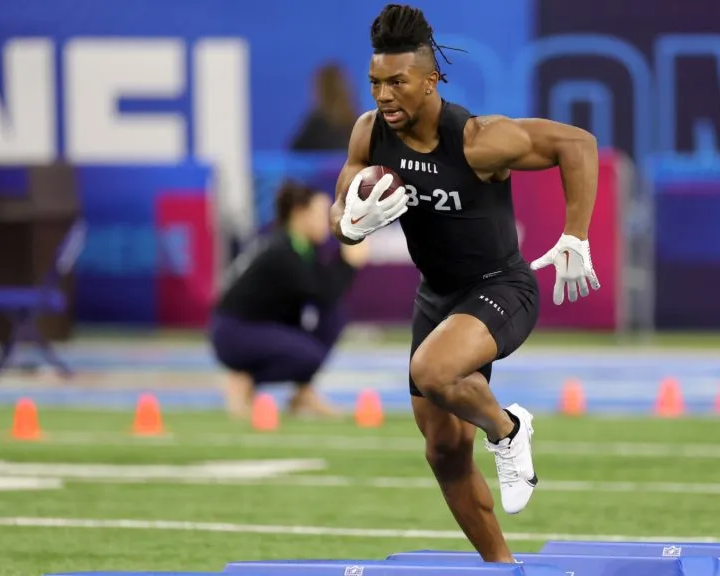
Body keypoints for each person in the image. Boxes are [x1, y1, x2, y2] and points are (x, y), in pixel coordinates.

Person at [328, 3, 602, 564]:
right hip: (438, 298)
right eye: (376, 82)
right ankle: (501, 566)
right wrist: (349, 224)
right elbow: (341, 210)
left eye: (397, 83)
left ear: (431, 80)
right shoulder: (369, 133)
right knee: (444, 451)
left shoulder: (478, 140)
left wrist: (576, 234)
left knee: (432, 371)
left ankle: (507, 427)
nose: (383, 96)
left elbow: (577, 145)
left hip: (503, 288)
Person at [210, 180, 369, 419]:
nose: (328, 221)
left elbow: (325, 294)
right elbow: (322, 291)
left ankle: (303, 393)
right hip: (236, 331)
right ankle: (244, 379)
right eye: (320, 213)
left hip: (265, 326)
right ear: (299, 213)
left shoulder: (303, 247)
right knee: (309, 355)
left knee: (332, 316)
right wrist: (348, 263)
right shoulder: (282, 250)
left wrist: (343, 261)